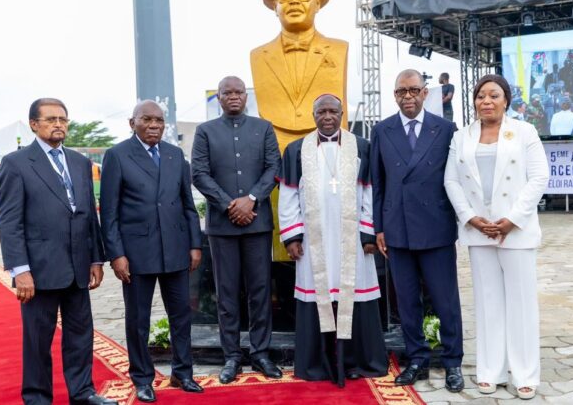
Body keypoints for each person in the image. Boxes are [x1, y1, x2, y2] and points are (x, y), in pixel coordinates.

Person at [0, 98, 114, 405]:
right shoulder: (16, 163)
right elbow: (9, 221)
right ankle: (37, 397)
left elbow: (88, 214)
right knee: (38, 340)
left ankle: (83, 393)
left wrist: (96, 258)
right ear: (34, 124)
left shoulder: (79, 162)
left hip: (78, 266)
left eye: (63, 119)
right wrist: (20, 270)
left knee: (80, 334)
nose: (58, 124)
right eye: (51, 119)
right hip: (38, 270)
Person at [444, 74, 549, 400]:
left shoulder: (525, 131)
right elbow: (451, 181)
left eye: (493, 95)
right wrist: (471, 218)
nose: (486, 101)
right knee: (487, 302)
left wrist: (512, 220)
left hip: (515, 230)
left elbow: (539, 177)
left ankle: (525, 374)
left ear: (506, 100)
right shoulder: (461, 136)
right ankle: (490, 370)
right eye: (480, 96)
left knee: (521, 303)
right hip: (479, 230)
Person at [278, 94, 387, 387]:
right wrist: (292, 236)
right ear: (313, 115)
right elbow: (288, 196)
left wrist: (368, 233)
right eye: (321, 111)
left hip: (353, 241)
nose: (327, 116)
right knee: (317, 295)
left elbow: (370, 192)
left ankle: (357, 362)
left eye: (332, 111)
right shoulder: (296, 150)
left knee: (356, 294)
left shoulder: (361, 146)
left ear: (342, 114)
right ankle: (318, 364)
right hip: (314, 241)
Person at [100, 100, 204, 402]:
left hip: (176, 249)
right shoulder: (117, 155)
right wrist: (116, 254)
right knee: (138, 320)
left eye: (159, 120)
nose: (154, 125)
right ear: (132, 123)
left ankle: (182, 372)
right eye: (147, 119)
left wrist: (195, 244)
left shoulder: (175, 154)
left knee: (181, 315)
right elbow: (109, 212)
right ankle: (142, 378)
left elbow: (187, 205)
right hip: (136, 254)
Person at [370, 69, 464, 392]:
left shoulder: (446, 129)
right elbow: (378, 184)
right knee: (407, 301)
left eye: (413, 90)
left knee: (445, 299)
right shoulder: (382, 130)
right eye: (401, 92)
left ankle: (452, 362)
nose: (407, 96)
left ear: (425, 93)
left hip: (436, 227)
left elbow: (456, 178)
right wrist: (379, 228)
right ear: (394, 95)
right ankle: (417, 359)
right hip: (397, 229)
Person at [191, 76, 282, 383]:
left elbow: (274, 168)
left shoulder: (263, 128)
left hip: (257, 223)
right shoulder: (205, 131)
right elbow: (199, 174)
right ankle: (231, 356)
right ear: (218, 98)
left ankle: (260, 353)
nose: (233, 96)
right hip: (222, 226)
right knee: (226, 293)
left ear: (246, 96)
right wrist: (229, 204)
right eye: (226, 92)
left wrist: (252, 199)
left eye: (238, 92)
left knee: (260, 291)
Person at [250, 0, 349, 151]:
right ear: (275, 5)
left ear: (317, 2)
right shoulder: (258, 56)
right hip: (275, 149)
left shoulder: (338, 49)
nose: (294, 1)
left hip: (326, 147)